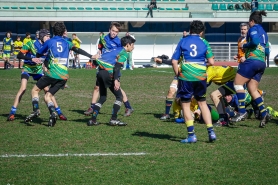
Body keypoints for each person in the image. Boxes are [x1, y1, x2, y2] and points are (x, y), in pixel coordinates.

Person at [25, 22, 98, 127]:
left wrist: (45, 55)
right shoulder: (67, 42)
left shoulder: (50, 42)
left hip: (52, 74)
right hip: (63, 77)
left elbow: (38, 54)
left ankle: (36, 110)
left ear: (53, 31)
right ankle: (53, 113)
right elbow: (77, 49)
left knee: (34, 90)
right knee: (48, 96)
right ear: (63, 32)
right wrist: (91, 56)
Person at [7, 29, 67, 121]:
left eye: (49, 36)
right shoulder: (31, 43)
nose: (49, 38)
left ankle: (59, 112)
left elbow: (47, 61)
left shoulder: (48, 45)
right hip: (27, 68)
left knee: (47, 90)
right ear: (42, 36)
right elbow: (19, 55)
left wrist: (59, 78)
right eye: (47, 36)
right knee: (23, 88)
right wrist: (32, 59)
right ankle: (12, 112)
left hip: (38, 70)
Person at [172, 20, 216, 143]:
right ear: (201, 32)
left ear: (190, 30)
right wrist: (201, 63)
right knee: (202, 103)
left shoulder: (183, 40)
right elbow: (212, 62)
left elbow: (174, 61)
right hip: (201, 76)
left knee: (185, 104)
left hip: (186, 76)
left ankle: (191, 135)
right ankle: (211, 132)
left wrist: (178, 74)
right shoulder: (205, 42)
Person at [84, 22, 134, 117]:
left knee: (117, 88)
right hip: (103, 66)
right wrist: (98, 55)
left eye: (116, 31)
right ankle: (92, 107)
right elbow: (100, 50)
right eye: (113, 30)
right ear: (109, 30)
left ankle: (128, 106)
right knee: (97, 87)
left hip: (113, 68)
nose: (114, 33)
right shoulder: (103, 39)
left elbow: (121, 54)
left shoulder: (119, 42)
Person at [232, 11, 271, 128]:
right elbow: (267, 51)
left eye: (249, 22)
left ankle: (242, 111)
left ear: (252, 21)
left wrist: (245, 46)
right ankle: (264, 112)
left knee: (237, 84)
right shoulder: (264, 33)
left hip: (252, 60)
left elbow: (254, 42)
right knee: (252, 88)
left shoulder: (253, 29)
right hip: (261, 62)